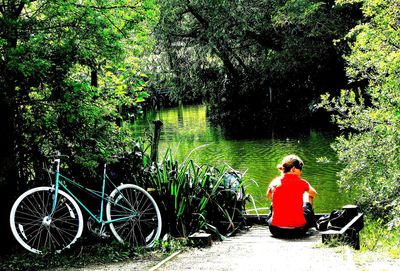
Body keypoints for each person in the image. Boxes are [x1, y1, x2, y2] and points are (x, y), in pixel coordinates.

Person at [266, 154, 317, 238]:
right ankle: (310, 224)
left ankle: (282, 221)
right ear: (293, 169)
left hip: (276, 230)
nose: (301, 171)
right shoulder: (302, 182)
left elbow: (269, 196)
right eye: (300, 168)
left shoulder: (275, 182)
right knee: (308, 196)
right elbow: (313, 193)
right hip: (298, 231)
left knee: (274, 202)